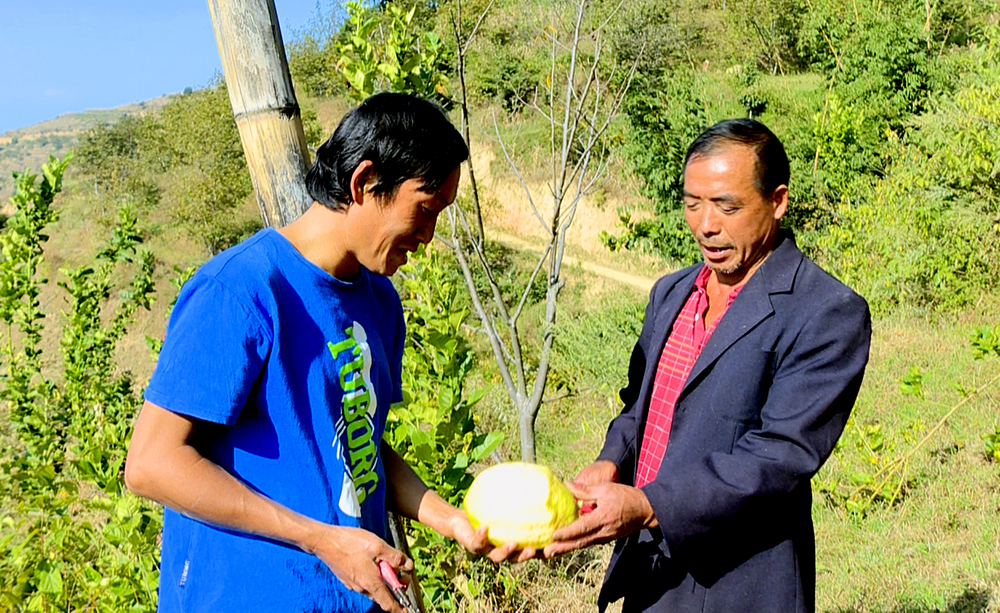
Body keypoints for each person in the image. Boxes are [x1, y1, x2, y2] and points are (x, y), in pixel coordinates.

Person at [124, 93, 518, 613]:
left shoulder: (379, 300)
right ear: (363, 183)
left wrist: (448, 519)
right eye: (424, 210)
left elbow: (359, 447)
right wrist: (322, 539)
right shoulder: (241, 290)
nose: (428, 236)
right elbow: (151, 464)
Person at [543, 118, 872, 613]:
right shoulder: (672, 293)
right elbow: (642, 407)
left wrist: (650, 505)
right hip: (651, 568)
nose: (705, 224)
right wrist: (612, 460)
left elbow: (780, 456)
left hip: (737, 584)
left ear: (777, 201)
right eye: (692, 203)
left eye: (726, 206)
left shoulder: (825, 312)